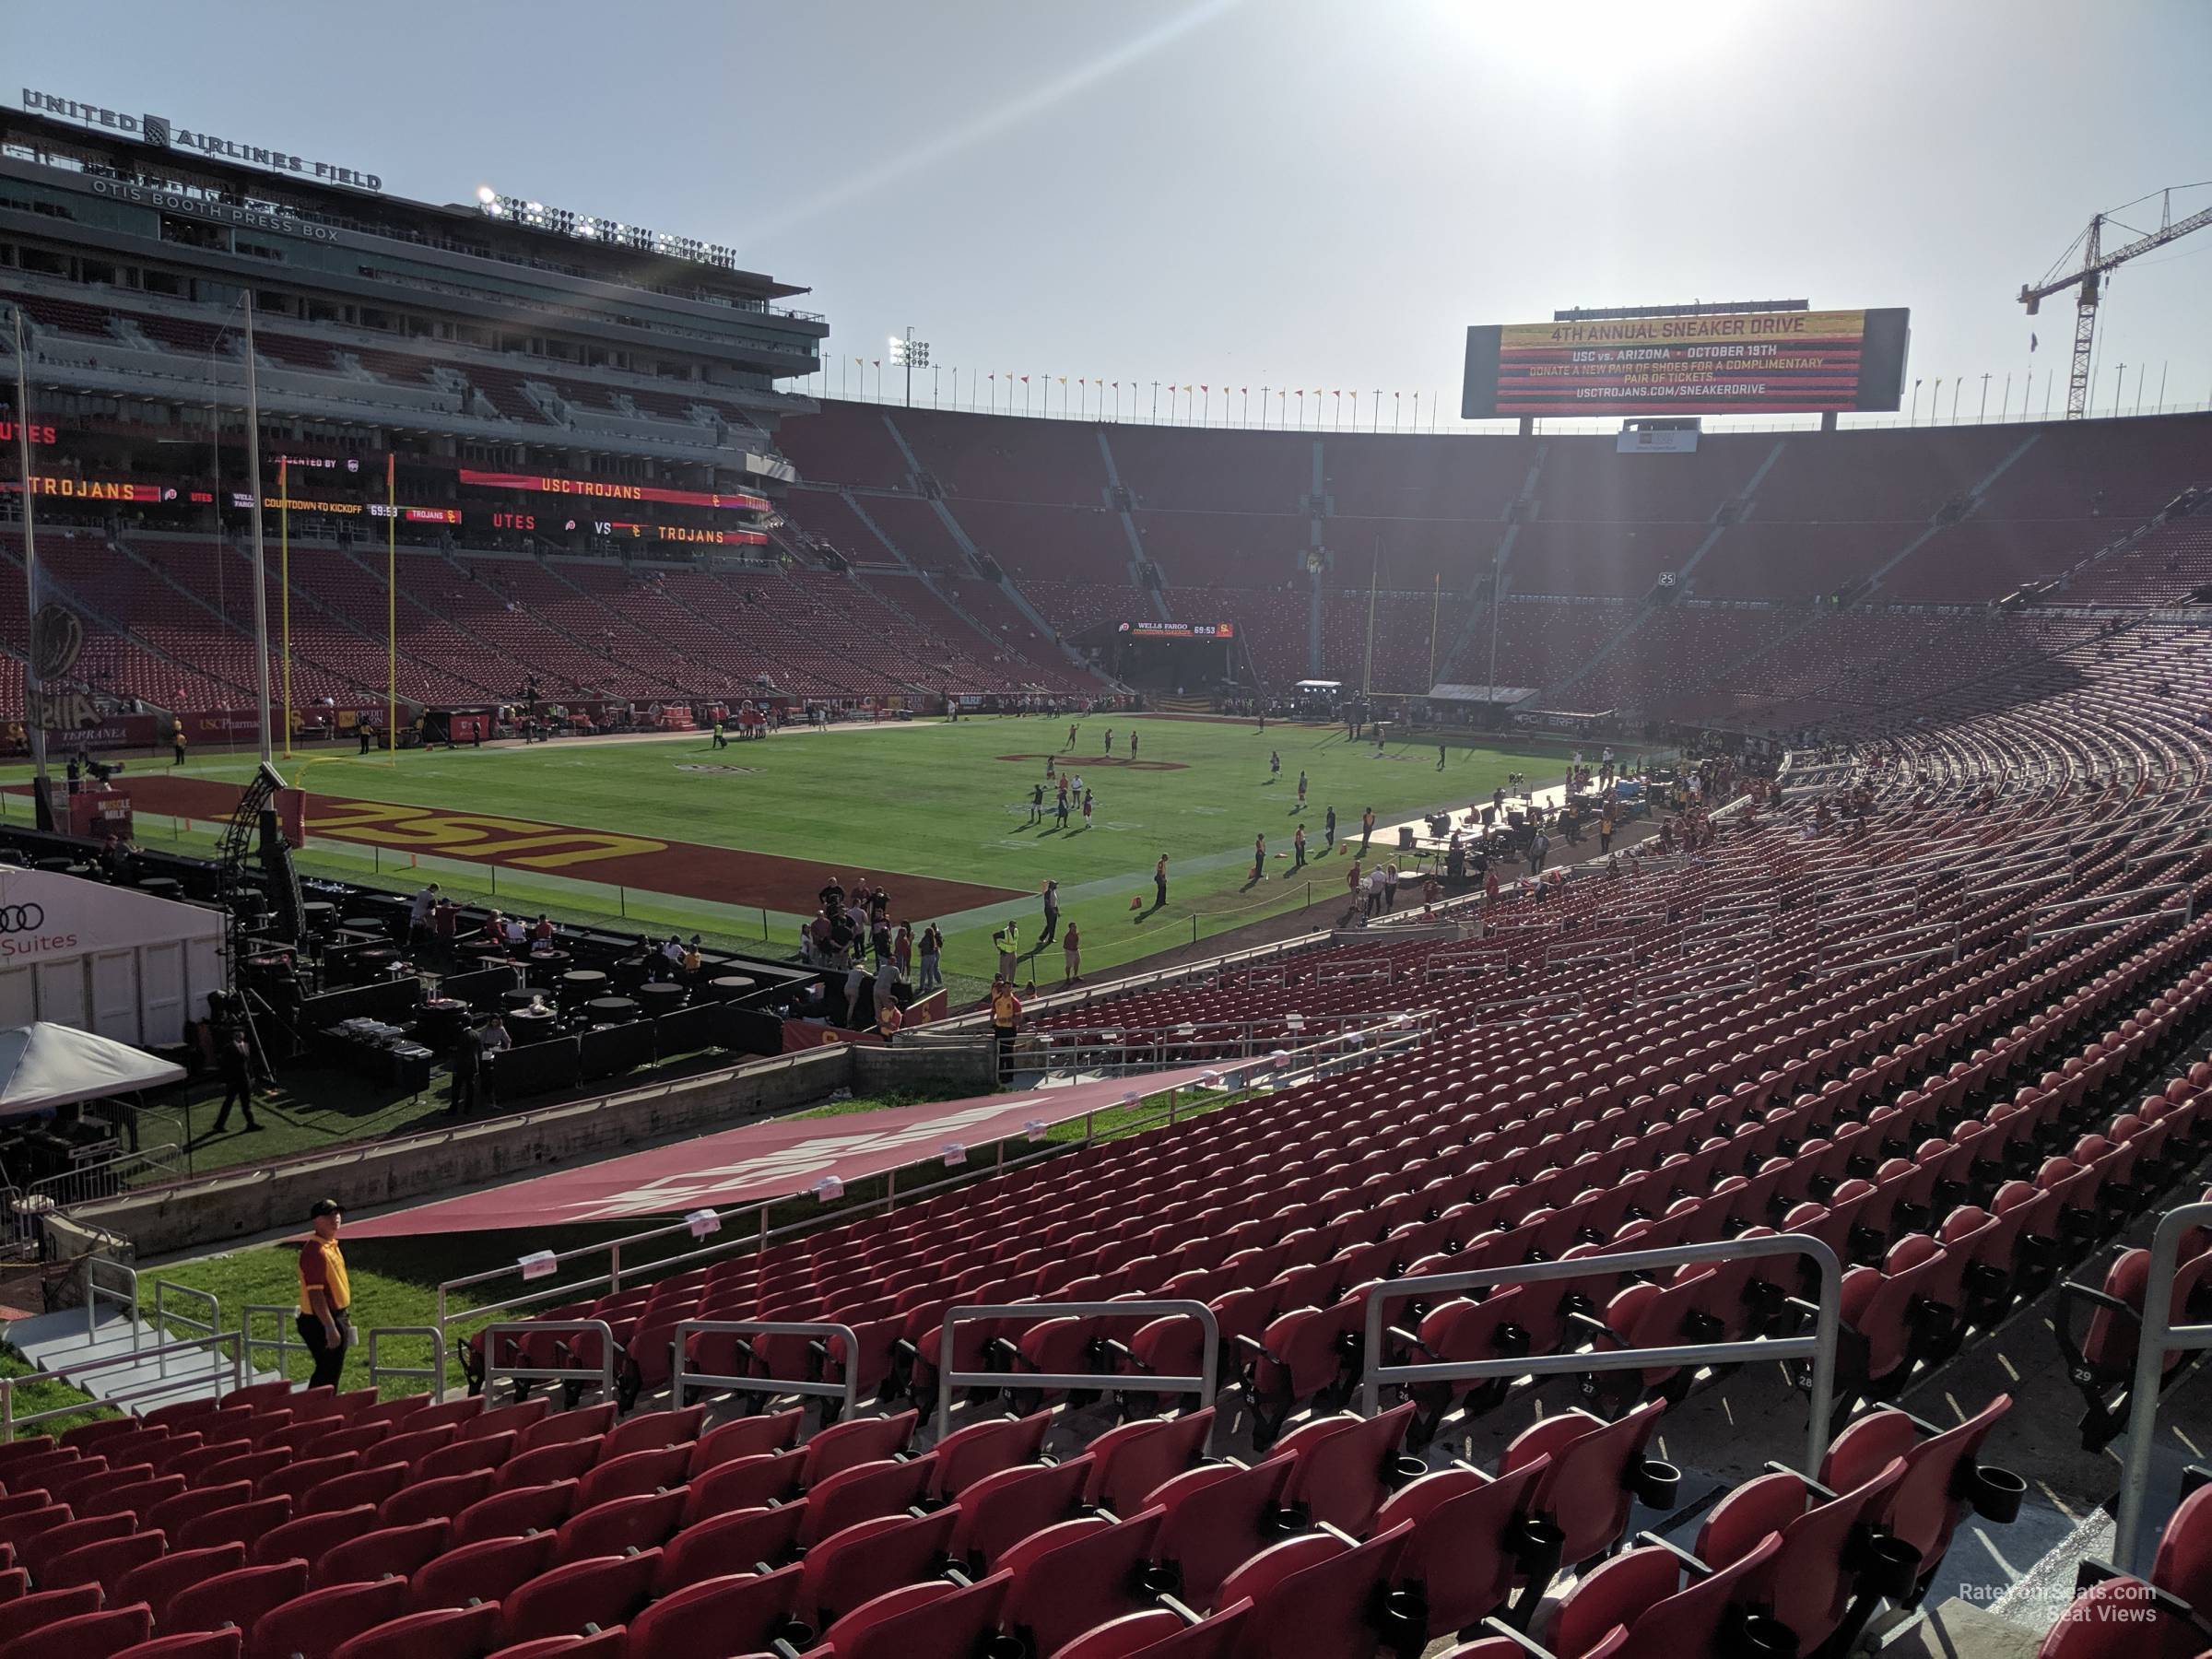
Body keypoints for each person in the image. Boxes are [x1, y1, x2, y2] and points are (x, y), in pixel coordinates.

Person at [297, 1199, 352, 1390]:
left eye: (337, 1214)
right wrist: (330, 1327)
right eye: (329, 1215)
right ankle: (317, 1412)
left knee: (330, 1371)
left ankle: (321, 1409)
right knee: (327, 1374)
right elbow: (316, 1295)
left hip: (335, 1316)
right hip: (321, 1321)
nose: (335, 1218)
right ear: (316, 1221)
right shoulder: (316, 1251)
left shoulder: (330, 1245)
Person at [210, 1020, 259, 1133]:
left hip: (244, 1080)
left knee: (246, 1104)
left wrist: (251, 1076)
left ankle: (250, 1124)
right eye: (237, 1034)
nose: (239, 1035)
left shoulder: (246, 1046)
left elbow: (248, 1063)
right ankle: (219, 1125)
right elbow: (225, 1065)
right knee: (228, 1103)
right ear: (233, 1036)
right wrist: (225, 1080)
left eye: (241, 1033)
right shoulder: (228, 1048)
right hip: (234, 1081)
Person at [989, 975, 1023, 1082]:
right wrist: (993, 1019)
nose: (1007, 989)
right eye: (1005, 987)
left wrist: (1009, 1020)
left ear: (1011, 989)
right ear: (1002, 989)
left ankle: (1009, 1076)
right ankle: (1000, 1075)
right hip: (999, 1029)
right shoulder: (997, 999)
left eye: (1009, 988)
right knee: (1000, 1052)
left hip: (1009, 1030)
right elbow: (993, 1011)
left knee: (1008, 1053)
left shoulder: (1014, 1002)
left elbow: (1019, 1017)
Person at [447, 1021, 481, 1115]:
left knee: (456, 1088)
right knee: (470, 1088)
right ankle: (468, 1109)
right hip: (472, 1066)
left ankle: (454, 1108)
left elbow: (459, 1054)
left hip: (461, 1067)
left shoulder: (462, 1036)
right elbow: (479, 1050)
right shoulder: (476, 1034)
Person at [918, 924, 943, 991]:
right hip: (933, 956)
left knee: (924, 972)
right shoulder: (933, 938)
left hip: (927, 957)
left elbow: (920, 945)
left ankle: (922, 986)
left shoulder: (926, 938)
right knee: (930, 972)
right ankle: (930, 985)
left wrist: (920, 954)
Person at [1039, 879, 1060, 946]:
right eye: (1055, 885)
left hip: (1053, 909)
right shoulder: (1048, 893)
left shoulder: (1054, 892)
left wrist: (1057, 911)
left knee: (1050, 924)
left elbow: (1055, 903)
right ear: (1051, 886)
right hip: (1049, 911)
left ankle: (1043, 937)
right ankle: (1050, 938)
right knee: (1051, 925)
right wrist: (1053, 910)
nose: (1056, 886)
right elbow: (1047, 903)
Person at [1062, 921, 1082, 985]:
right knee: (1069, 965)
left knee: (1077, 962)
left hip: (1075, 950)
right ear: (1070, 928)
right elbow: (1066, 945)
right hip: (1069, 951)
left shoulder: (1076, 934)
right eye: (1073, 927)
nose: (1075, 928)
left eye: (1075, 926)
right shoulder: (1068, 936)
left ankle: (1075, 976)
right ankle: (1068, 978)